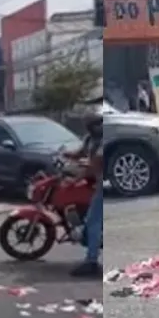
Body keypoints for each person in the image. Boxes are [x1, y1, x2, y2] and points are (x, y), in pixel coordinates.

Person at [64, 110, 103, 277]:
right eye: (91, 125)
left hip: (103, 185)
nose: (95, 127)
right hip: (96, 182)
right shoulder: (90, 139)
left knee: (93, 222)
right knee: (91, 220)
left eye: (97, 123)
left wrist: (77, 177)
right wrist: (64, 154)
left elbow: (96, 164)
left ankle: (91, 262)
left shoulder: (104, 141)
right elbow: (80, 152)